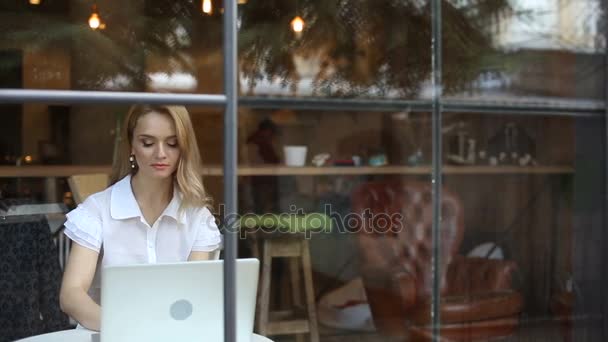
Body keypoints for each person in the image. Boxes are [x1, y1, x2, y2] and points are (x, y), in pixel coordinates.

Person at [59, 105, 222, 331]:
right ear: (131, 146)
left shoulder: (197, 217)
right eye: (148, 143)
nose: (161, 153)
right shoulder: (97, 210)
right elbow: (71, 295)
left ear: (183, 148)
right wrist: (125, 328)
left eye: (172, 143)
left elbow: (194, 295)